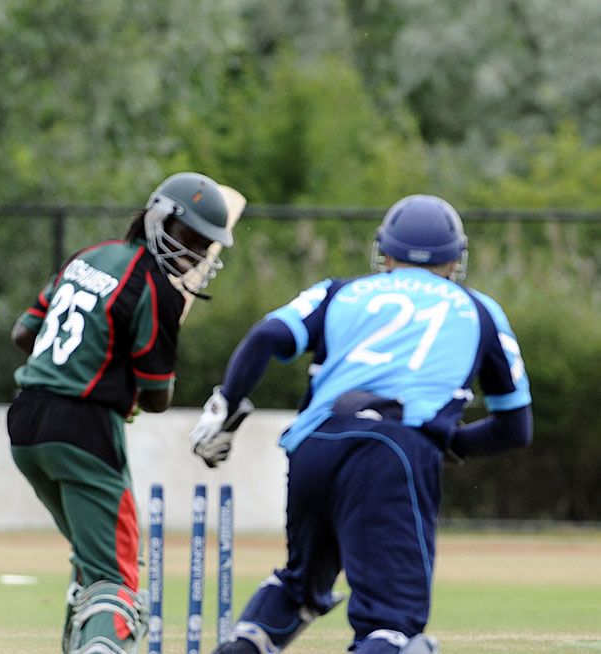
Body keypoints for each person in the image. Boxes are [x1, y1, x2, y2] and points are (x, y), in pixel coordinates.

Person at [189, 194, 533, 654]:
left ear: (384, 253)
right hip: (393, 450)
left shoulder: (340, 291)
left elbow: (267, 335)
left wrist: (226, 406)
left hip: (315, 444)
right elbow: (516, 427)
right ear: (456, 260)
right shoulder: (479, 309)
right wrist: (453, 441)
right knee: (393, 630)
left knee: (299, 587)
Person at [8, 173, 233, 654]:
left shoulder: (90, 255)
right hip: (85, 429)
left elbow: (25, 334)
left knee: (93, 557)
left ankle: (82, 637)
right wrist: (118, 383)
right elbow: (157, 398)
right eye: (188, 237)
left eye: (202, 245)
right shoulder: (159, 290)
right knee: (118, 574)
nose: (192, 253)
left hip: (26, 422)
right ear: (156, 219)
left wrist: (97, 366)